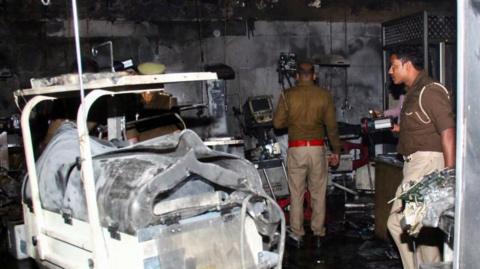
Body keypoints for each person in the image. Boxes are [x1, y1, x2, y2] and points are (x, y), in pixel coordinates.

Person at [386, 46, 455, 269]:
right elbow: (425, 126)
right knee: (423, 227)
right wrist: (402, 130)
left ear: (407, 65)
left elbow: (448, 132)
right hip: (417, 165)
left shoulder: (429, 90)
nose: (390, 71)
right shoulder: (415, 92)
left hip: (425, 166)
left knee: (399, 222)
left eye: (394, 66)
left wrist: (448, 176)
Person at [273, 62, 341, 248]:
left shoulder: (288, 95)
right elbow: (332, 127)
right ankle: (318, 233)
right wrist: (336, 150)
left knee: (296, 193)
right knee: (318, 193)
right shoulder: (324, 96)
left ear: (296, 76)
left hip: (296, 149)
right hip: (318, 150)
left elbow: (277, 124)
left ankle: (297, 233)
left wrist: (293, 118)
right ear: (314, 76)